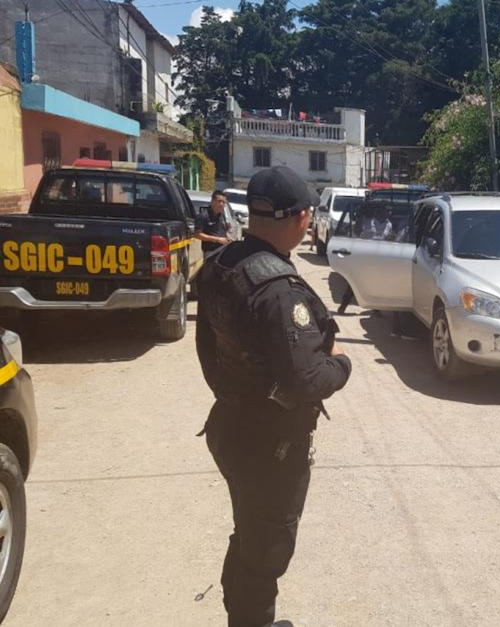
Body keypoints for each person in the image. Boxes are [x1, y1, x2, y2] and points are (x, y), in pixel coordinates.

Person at [195, 166, 352, 626]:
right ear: (300, 217)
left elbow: (206, 349)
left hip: (231, 426)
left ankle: (245, 618)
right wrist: (342, 363)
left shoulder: (222, 263)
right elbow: (307, 379)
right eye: (308, 216)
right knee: (266, 548)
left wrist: (232, 393)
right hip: (269, 447)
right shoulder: (279, 291)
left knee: (250, 533)